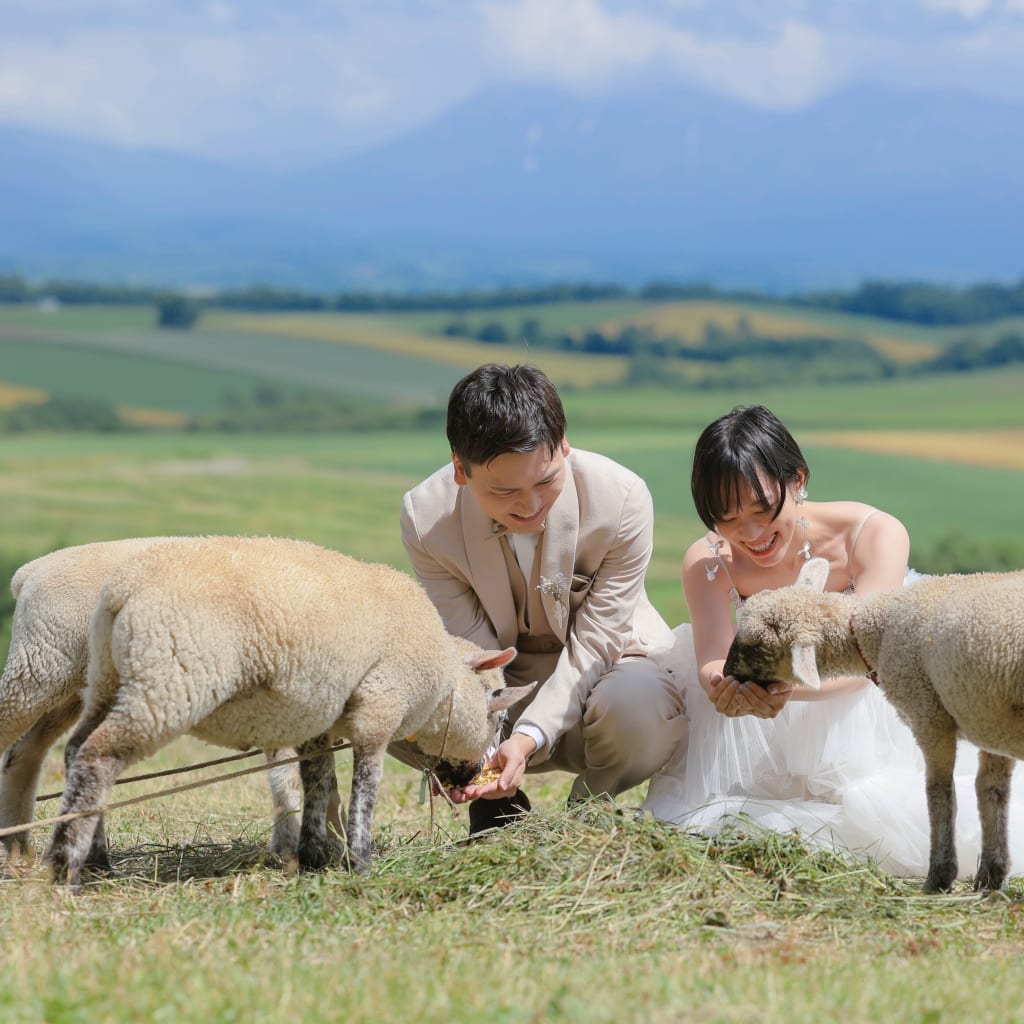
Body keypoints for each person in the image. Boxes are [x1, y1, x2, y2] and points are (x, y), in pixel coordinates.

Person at [643, 404, 1024, 879]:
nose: (752, 534)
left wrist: (784, 689)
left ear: (797, 480)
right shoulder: (707, 561)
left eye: (764, 510)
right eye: (729, 519)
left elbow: (871, 659)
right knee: (719, 824)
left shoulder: (873, 534)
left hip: (867, 697)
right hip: (755, 718)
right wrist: (722, 686)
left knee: (883, 820)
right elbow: (714, 656)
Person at [397, 363, 686, 834]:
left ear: (564, 445)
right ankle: (496, 806)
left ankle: (588, 814)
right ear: (459, 470)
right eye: (504, 490)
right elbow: (471, 648)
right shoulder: (425, 519)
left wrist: (530, 736)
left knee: (642, 706)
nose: (529, 506)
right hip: (501, 682)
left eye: (546, 482)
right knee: (401, 703)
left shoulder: (623, 500)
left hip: (608, 672)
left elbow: (598, 641)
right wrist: (484, 754)